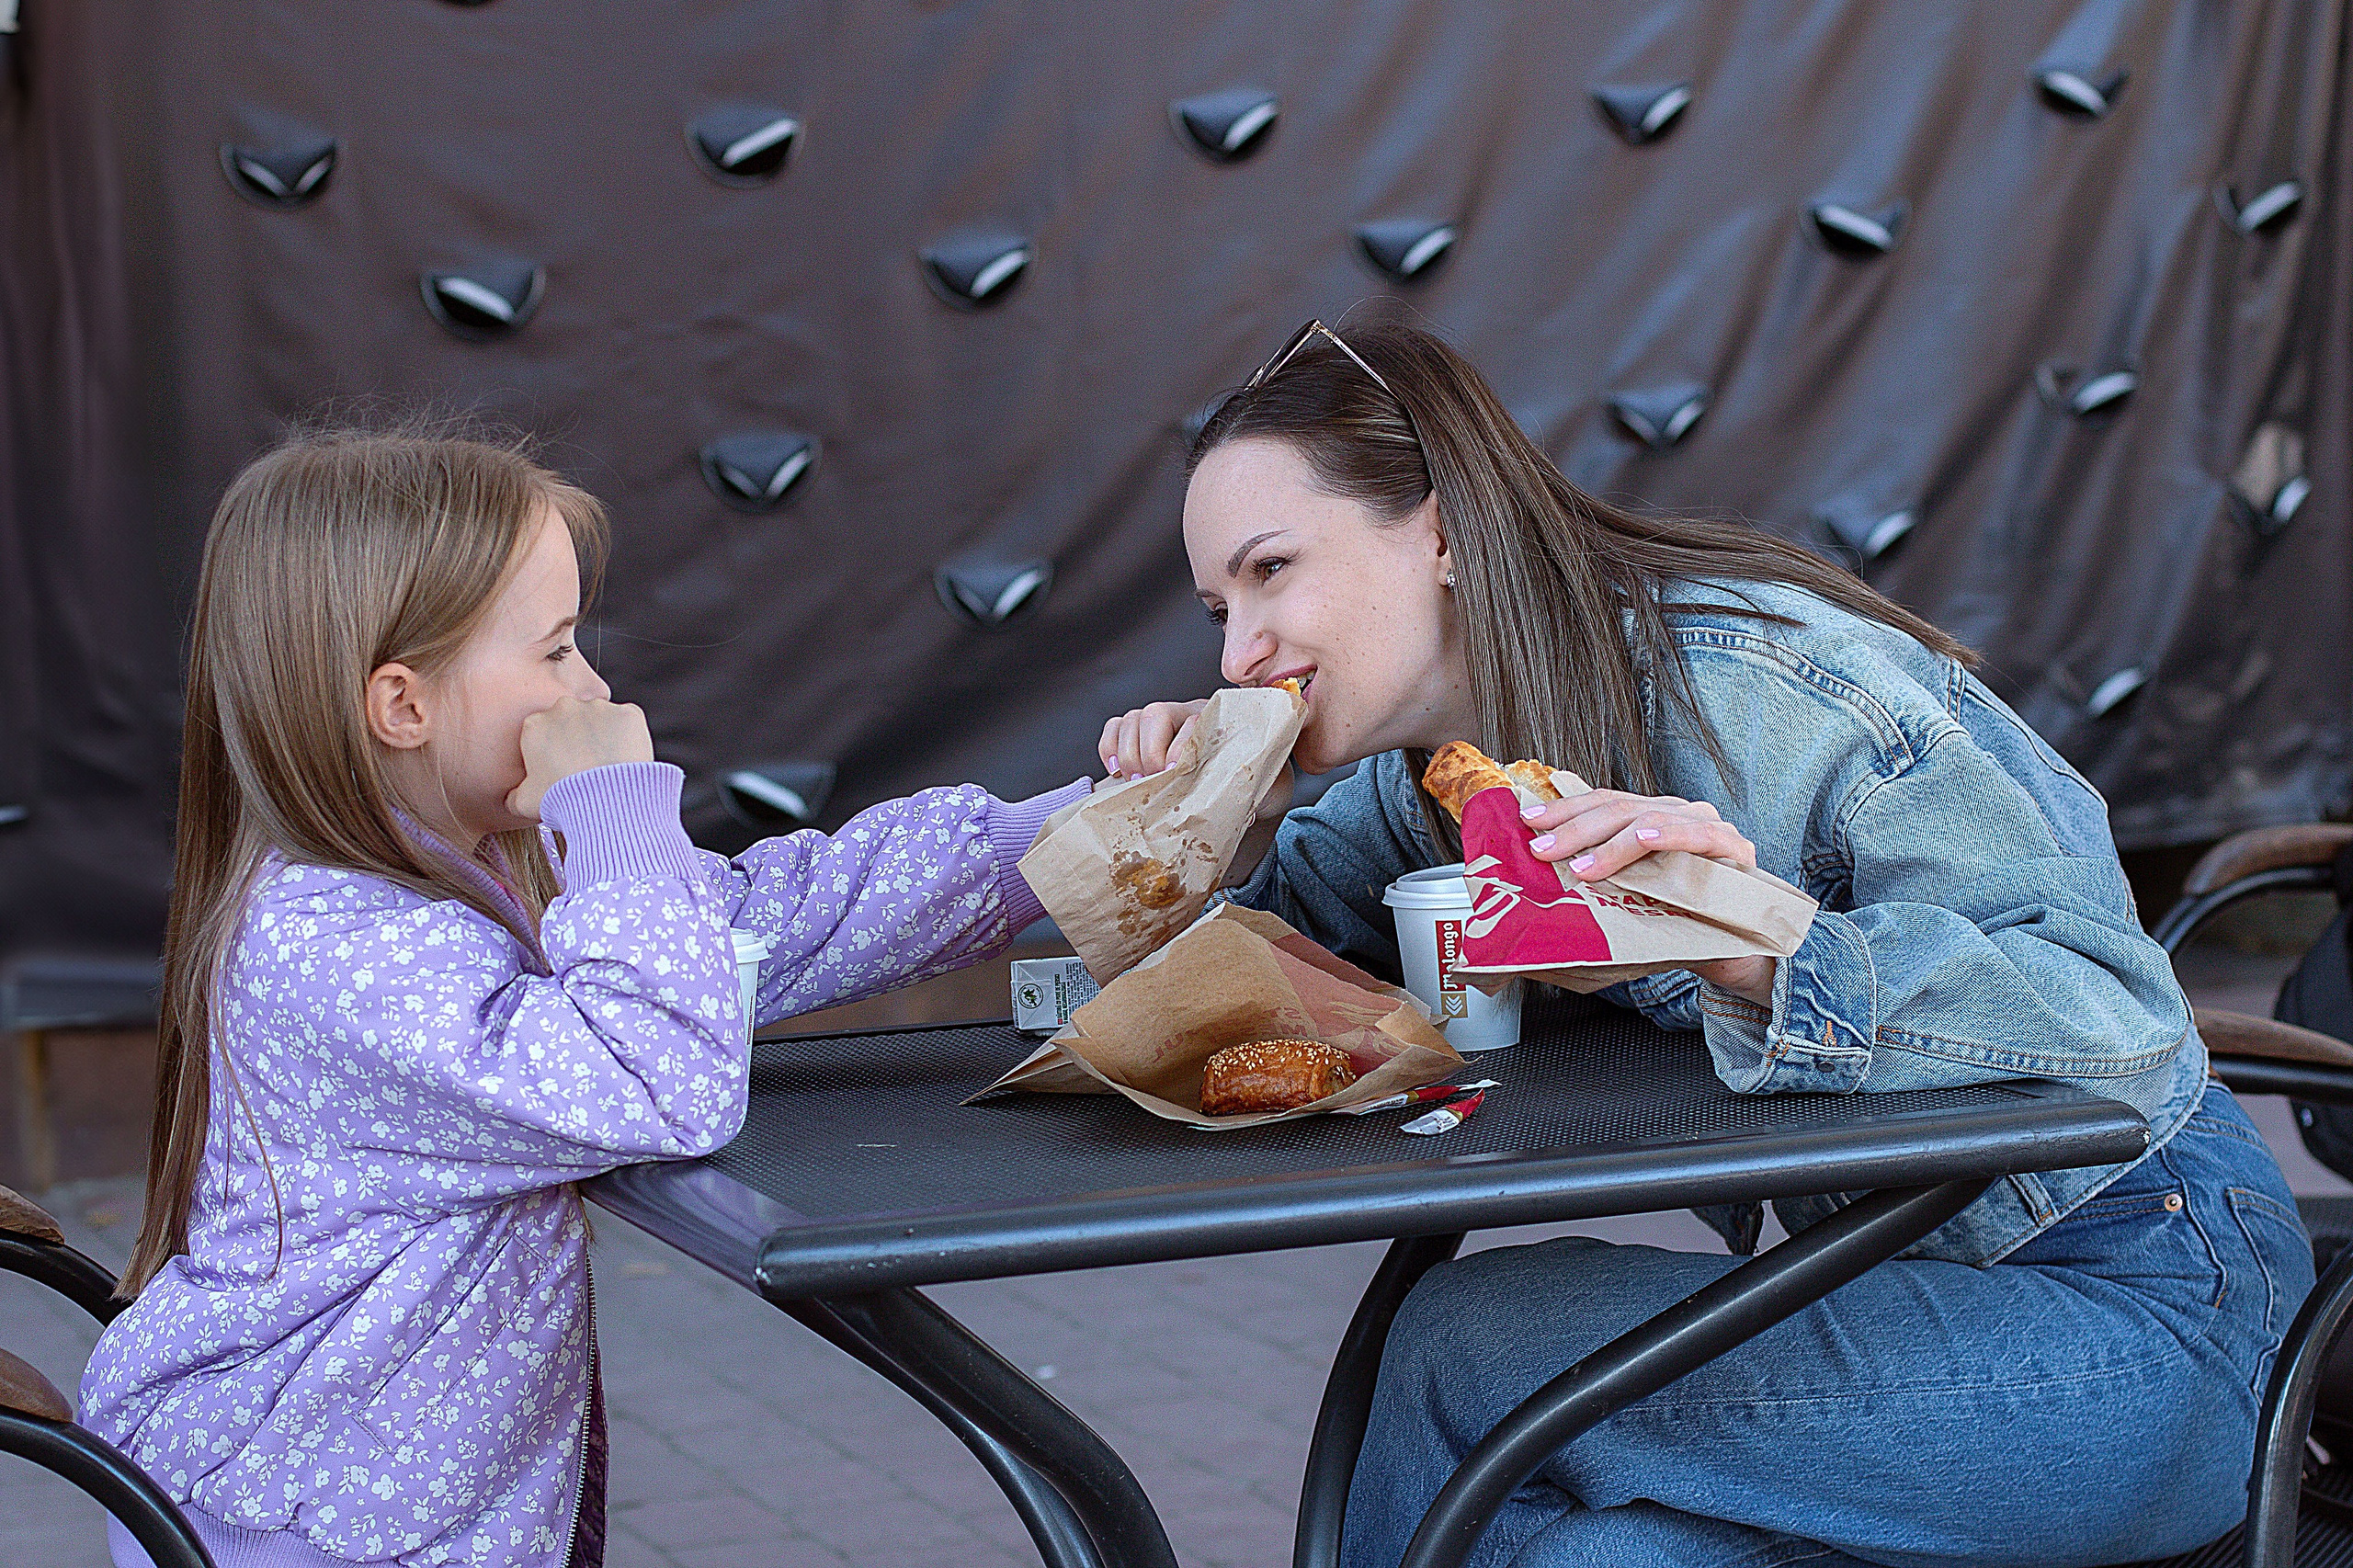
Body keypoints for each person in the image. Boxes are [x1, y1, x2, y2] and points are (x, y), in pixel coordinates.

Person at [1100, 318, 2313, 1567]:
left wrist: (1755, 941)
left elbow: (2113, 1003)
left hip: (2150, 1308)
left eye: (1270, 570)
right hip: (1890, 1299)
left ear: (1447, 531)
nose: (1238, 651)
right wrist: (1202, 834)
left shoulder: (1767, 683)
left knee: (1464, 1345)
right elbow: (1214, 1011)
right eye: (1216, 607)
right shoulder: (1424, 796)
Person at [82, 430, 1091, 1568]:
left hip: (373, 1506)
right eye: (557, 652)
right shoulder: (335, 945)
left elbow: (742, 930)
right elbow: (658, 1077)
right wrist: (612, 807)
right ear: (401, 703)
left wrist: (1063, 841)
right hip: (311, 1528)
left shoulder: (467, 867)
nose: (597, 690)